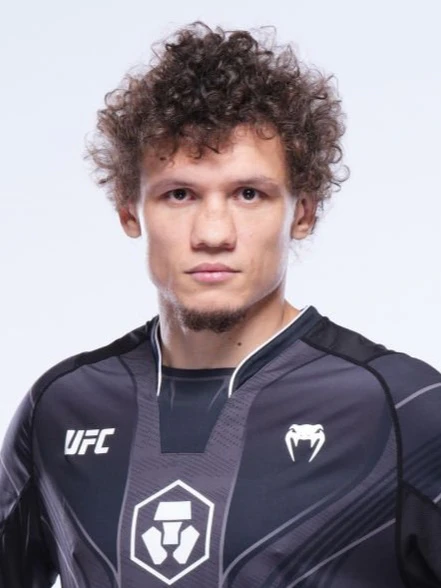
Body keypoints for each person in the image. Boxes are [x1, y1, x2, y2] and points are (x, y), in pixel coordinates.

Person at [1, 21, 440, 588]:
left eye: (248, 194)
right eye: (179, 194)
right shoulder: (62, 407)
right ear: (130, 210)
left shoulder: (400, 407)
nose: (213, 233)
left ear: (303, 213)